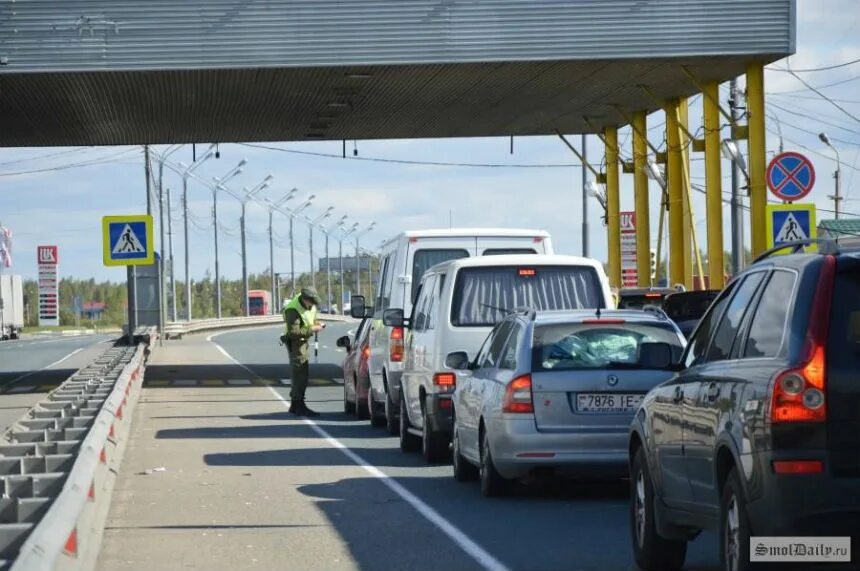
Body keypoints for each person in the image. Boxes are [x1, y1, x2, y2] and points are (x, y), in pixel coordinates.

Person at [283, 287, 325, 416]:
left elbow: (313, 316)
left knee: (301, 371)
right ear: (305, 299)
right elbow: (294, 332)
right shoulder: (293, 309)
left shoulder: (310, 305)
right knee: (300, 373)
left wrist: (317, 323)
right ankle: (299, 404)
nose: (313, 305)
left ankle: (295, 405)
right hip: (295, 342)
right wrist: (313, 329)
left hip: (303, 341)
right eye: (311, 302)